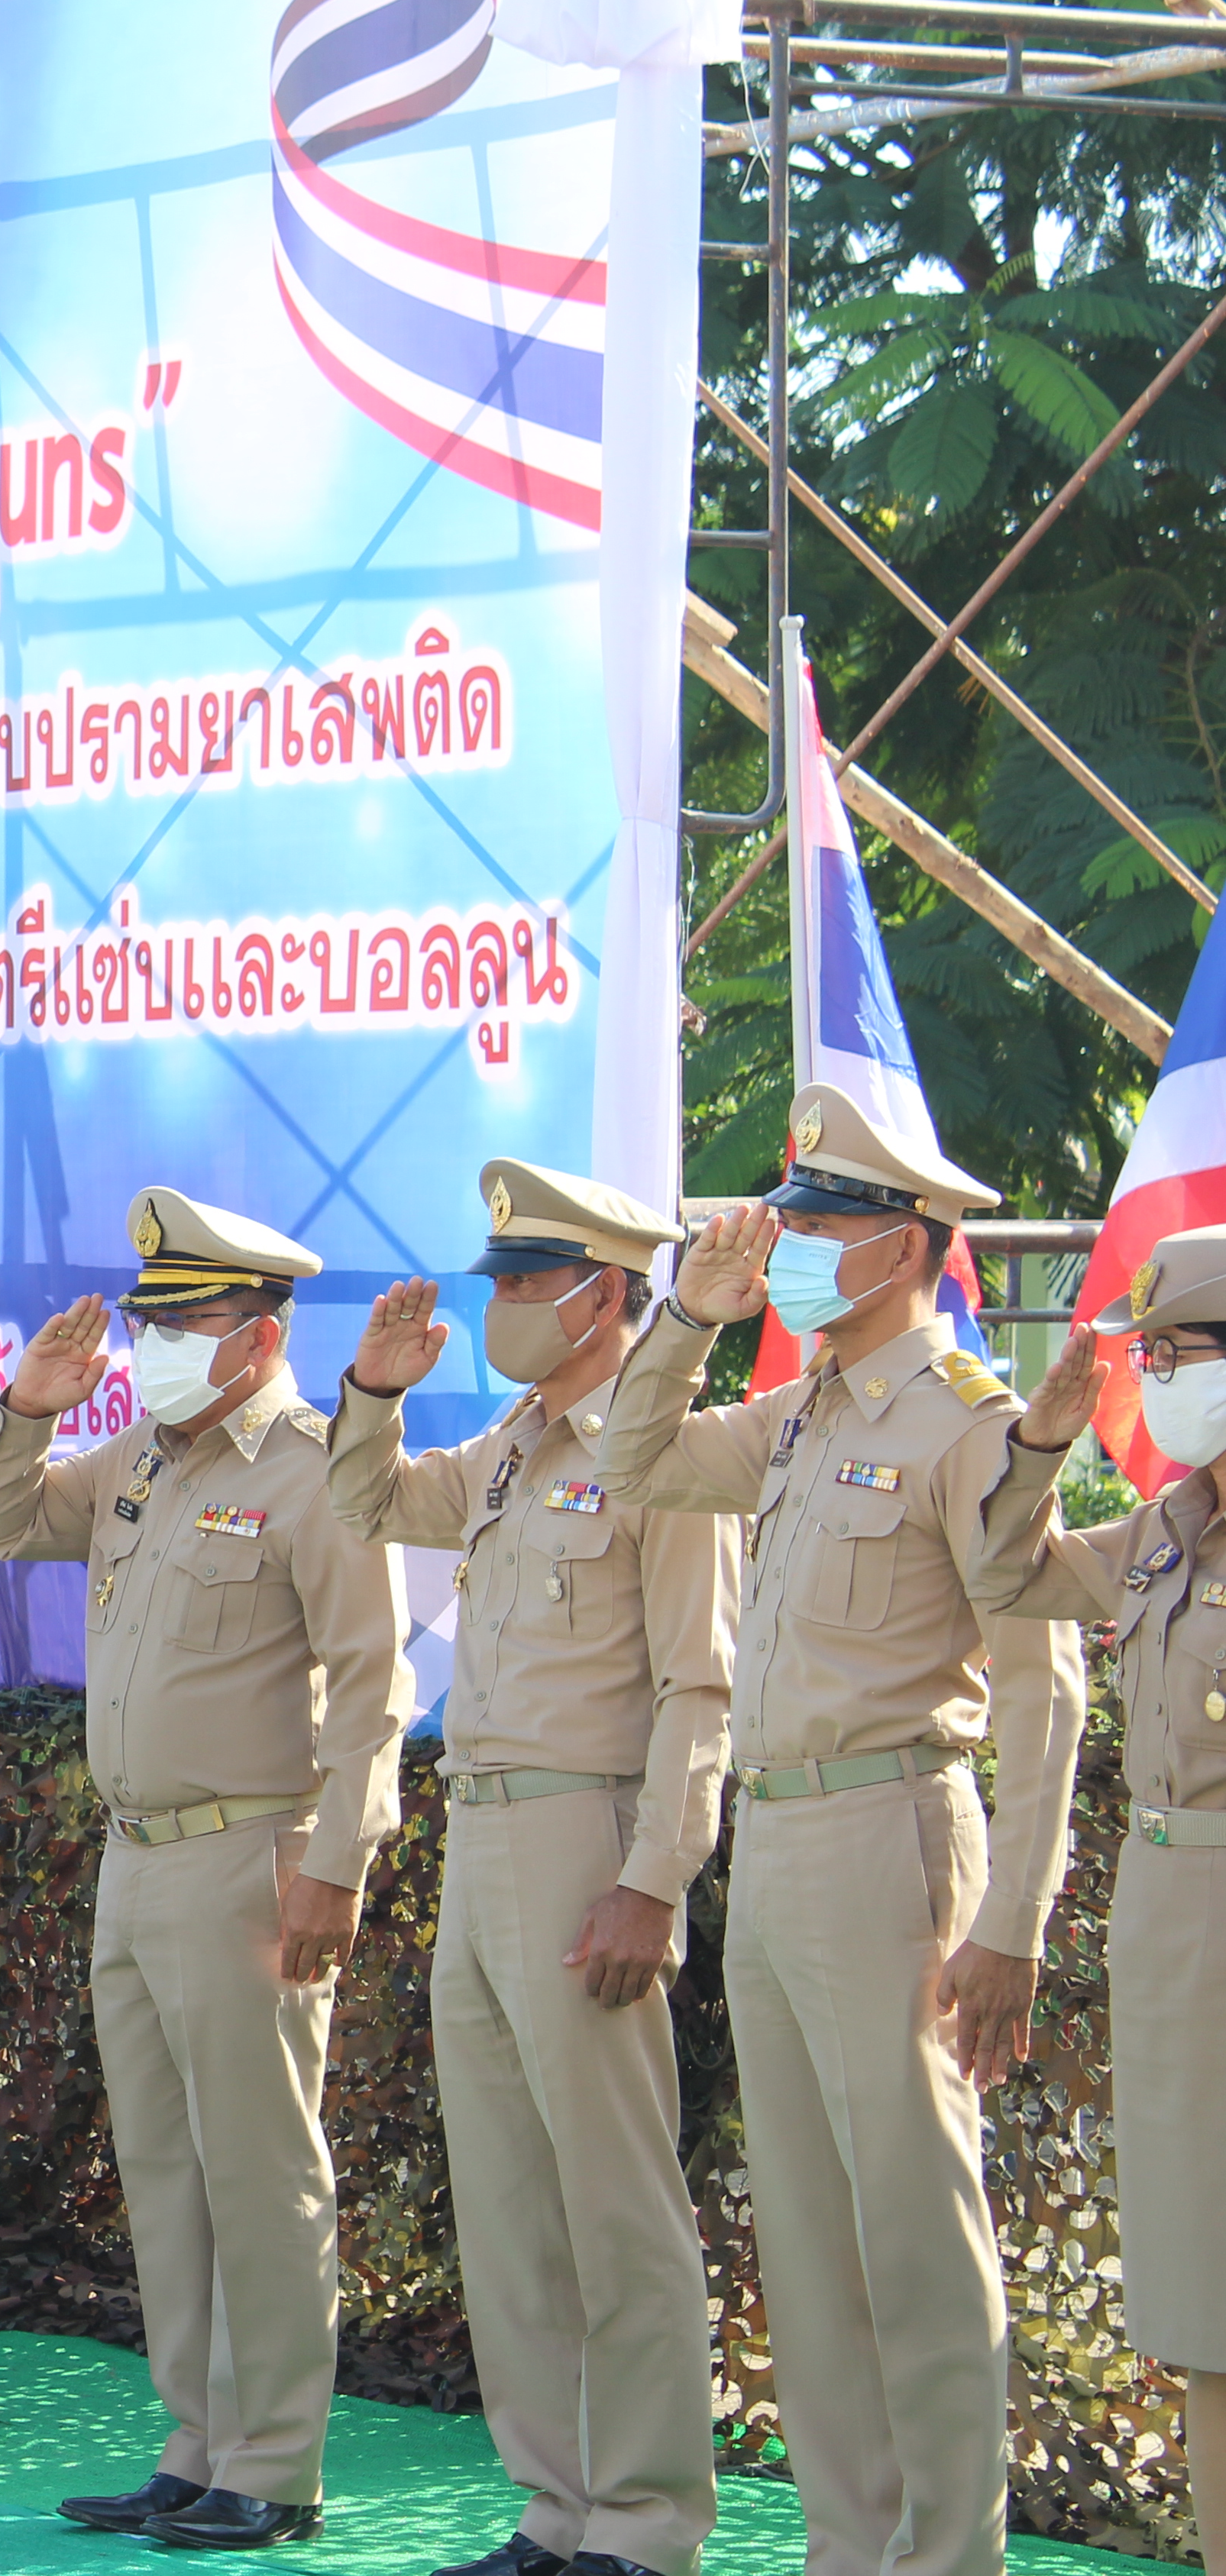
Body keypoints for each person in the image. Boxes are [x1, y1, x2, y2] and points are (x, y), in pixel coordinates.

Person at [590, 1081, 1080, 2576]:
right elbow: (633, 1466)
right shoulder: (797, 1417)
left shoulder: (970, 1426)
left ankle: (948, 2559)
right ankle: (848, 2552)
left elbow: (1049, 1685)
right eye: (790, 1217)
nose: (792, 1242)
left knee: (918, 2240)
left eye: (821, 1223)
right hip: (784, 1839)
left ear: (908, 1245)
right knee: (807, 2244)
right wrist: (689, 1318)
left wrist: (1016, 1923)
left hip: (895, 1841)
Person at [0, 1185, 410, 2551]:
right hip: (135, 1856)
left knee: (256, 2166)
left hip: (246, 1854)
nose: (155, 1341)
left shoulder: (313, 1467)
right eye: (148, 1318)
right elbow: (0, 1521)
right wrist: (30, 1405)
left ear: (258, 1336)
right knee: (161, 2165)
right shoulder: (134, 1461)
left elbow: (372, 1681)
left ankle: (272, 2458)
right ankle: (194, 2442)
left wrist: (334, 1866)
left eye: (186, 1319)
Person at [325, 1162, 733, 2576]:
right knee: (505, 2203)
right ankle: (553, 2510)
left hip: (586, 1836)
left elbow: (699, 1685)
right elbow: (363, 1501)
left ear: (607, 1291)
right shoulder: (506, 1446)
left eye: (522, 1281)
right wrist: (370, 1391)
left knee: (614, 2205)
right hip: (484, 1823)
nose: (497, 1304)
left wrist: (653, 1876)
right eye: (493, 1279)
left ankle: (642, 2524)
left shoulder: (658, 1448)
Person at [952, 1228, 1226, 2563]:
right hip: (1172, 1943)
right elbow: (1001, 1573)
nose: (1156, 1378)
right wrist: (1043, 1449)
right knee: (1197, 2301)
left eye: (1180, 1355)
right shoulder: (1168, 1528)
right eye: (1151, 1354)